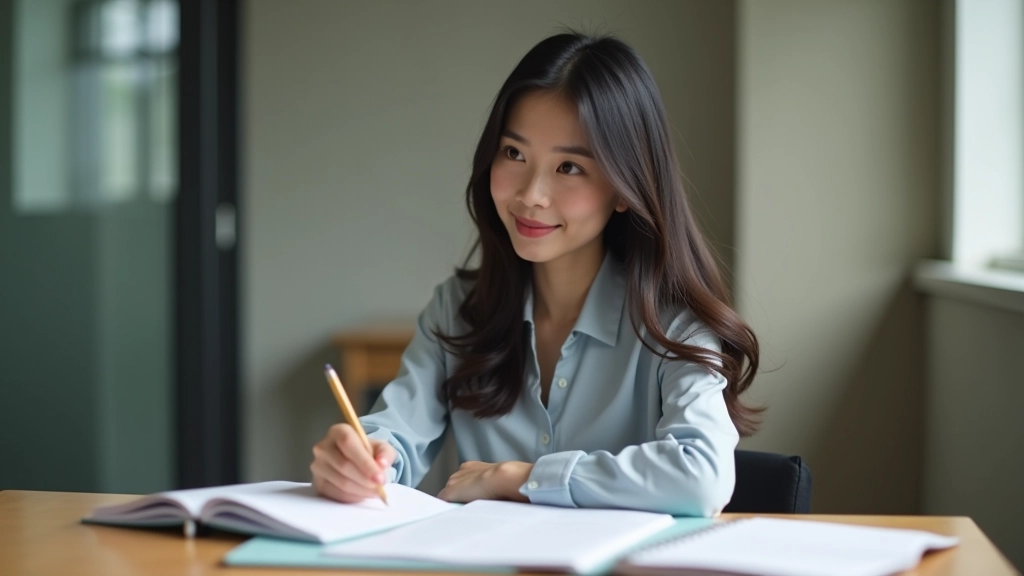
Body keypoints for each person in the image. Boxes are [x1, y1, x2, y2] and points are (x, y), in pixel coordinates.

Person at [310, 31, 760, 517]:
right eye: (514, 154)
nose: (531, 195)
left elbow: (702, 477)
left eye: (569, 167)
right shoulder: (457, 308)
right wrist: (359, 461)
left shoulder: (674, 326)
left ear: (623, 187)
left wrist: (517, 477)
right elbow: (394, 436)